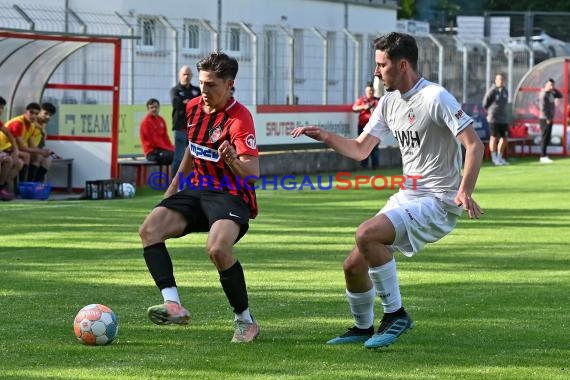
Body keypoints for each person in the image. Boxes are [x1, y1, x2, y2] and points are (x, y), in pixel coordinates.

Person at [291, 32, 484, 349]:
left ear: (403, 64)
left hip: (438, 201)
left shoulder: (436, 97)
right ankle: (362, 327)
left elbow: (474, 145)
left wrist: (465, 190)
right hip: (407, 196)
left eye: (381, 65)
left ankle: (396, 314)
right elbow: (359, 150)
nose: (376, 72)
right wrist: (324, 136)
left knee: (366, 233)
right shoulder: (389, 102)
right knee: (353, 266)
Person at [139, 51, 261, 343]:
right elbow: (191, 152)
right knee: (149, 230)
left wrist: (232, 159)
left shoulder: (240, 118)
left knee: (217, 250)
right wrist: (172, 189)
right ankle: (173, 304)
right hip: (197, 189)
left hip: (231, 195)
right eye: (203, 83)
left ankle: (246, 322)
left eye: (212, 85)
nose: (204, 91)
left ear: (229, 85)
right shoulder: (193, 107)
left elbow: (252, 173)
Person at [4, 102, 51, 183]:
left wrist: (41, 150)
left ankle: (33, 184)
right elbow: (23, 146)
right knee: (28, 157)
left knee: (46, 159)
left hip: (12, 148)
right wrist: (41, 151)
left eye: (36, 113)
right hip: (5, 148)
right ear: (25, 111)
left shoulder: (33, 125)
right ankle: (25, 185)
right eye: (31, 112)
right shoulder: (18, 123)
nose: (33, 115)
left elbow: (33, 144)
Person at [170, 65, 201, 177]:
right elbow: (176, 104)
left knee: (194, 158)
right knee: (178, 158)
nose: (186, 76)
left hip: (194, 129)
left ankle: (192, 183)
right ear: (180, 76)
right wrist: (189, 104)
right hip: (180, 129)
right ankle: (173, 184)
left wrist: (186, 103)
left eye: (188, 74)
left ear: (192, 76)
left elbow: (200, 105)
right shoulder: (175, 90)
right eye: (184, 74)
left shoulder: (196, 90)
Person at [482, 73, 510, 166]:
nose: (500, 81)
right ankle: (494, 158)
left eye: (502, 79)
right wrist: (491, 112)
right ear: (495, 80)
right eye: (499, 79)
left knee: (504, 138)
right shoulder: (492, 91)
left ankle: (499, 157)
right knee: (493, 138)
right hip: (493, 119)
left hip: (503, 119)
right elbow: (485, 104)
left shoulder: (506, 91)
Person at [353, 82, 380, 169]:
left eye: (371, 91)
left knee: (374, 147)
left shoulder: (377, 100)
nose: (370, 92)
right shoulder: (362, 100)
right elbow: (354, 108)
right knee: (362, 147)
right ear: (366, 91)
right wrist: (364, 107)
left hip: (375, 128)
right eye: (369, 91)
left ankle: (375, 167)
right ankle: (364, 166)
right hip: (363, 127)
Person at [139, 98, 174, 165]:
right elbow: (154, 142)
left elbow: (165, 137)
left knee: (178, 155)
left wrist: (171, 148)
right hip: (151, 152)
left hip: (162, 150)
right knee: (171, 156)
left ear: (159, 108)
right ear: (148, 109)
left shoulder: (161, 120)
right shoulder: (146, 122)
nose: (154, 109)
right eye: (151, 107)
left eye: (156, 107)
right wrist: (168, 149)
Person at [0, 96, 21, 201]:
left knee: (12, 160)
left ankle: (2, 187)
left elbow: (9, 133)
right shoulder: (18, 123)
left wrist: (15, 149)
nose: (1, 110)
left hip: (2, 150)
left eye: (2, 107)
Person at [538, 78, 562, 163]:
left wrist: (554, 89)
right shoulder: (543, 95)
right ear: (545, 85)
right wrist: (548, 118)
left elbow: (560, 95)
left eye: (552, 85)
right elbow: (543, 108)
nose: (551, 87)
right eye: (550, 85)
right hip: (544, 119)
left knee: (547, 137)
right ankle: (542, 156)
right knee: (544, 137)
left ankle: (545, 155)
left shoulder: (551, 94)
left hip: (550, 118)